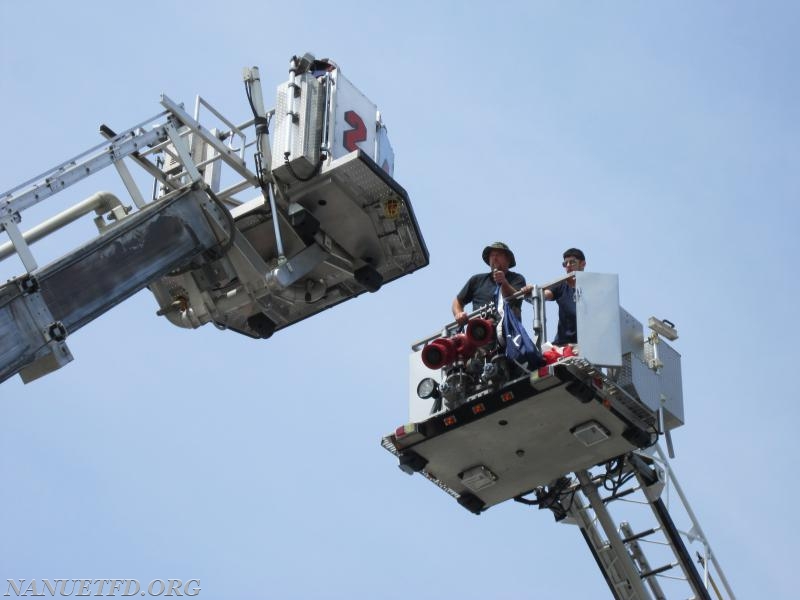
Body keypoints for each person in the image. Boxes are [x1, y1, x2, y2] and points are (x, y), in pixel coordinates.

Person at [452, 242, 526, 326]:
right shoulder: (476, 280)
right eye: (492, 255)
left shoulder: (517, 279)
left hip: (507, 332)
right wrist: (459, 314)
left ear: (508, 259)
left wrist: (504, 282)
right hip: (480, 333)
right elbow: (457, 301)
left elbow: (515, 299)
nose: (494, 258)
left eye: (498, 254)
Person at [543, 248, 586, 345]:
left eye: (572, 262)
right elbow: (544, 295)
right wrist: (533, 291)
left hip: (588, 343)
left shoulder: (593, 287)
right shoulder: (561, 285)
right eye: (565, 263)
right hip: (563, 344)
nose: (568, 266)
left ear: (583, 264)